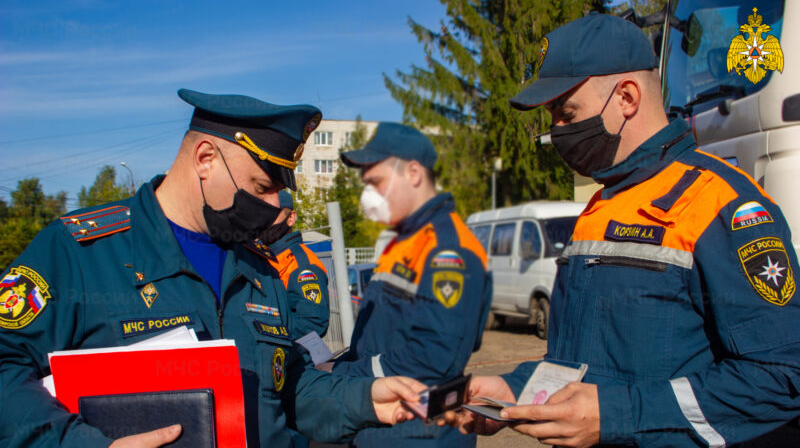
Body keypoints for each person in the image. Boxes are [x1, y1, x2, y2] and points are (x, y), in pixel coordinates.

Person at [446, 13, 800, 447]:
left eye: (566, 113)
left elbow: (781, 376)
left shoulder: (721, 203)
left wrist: (617, 415)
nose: (557, 132)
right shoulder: (600, 206)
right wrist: (515, 388)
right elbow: (581, 365)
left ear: (627, 97)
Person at [0, 89, 424, 447]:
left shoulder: (259, 267)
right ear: (205, 159)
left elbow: (287, 386)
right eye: (262, 187)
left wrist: (367, 400)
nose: (274, 205)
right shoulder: (81, 253)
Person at [332, 122, 493, 447]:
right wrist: (338, 367)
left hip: (421, 433)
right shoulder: (403, 242)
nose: (367, 195)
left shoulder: (448, 249)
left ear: (414, 173)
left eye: (375, 182)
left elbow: (436, 357)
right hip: (384, 425)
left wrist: (343, 376)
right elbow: (378, 339)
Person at [262, 190, 330, 338]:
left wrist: (266, 333)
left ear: (291, 218)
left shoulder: (301, 264)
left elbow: (313, 323)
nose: (265, 220)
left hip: (287, 350)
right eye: (262, 213)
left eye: (273, 214)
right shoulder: (267, 256)